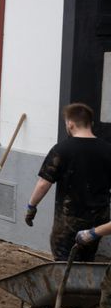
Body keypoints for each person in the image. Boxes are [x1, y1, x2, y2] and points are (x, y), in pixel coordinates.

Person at [26, 103, 111, 264]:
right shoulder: (108, 150)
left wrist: (31, 206)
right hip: (98, 220)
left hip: (69, 220)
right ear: (90, 123)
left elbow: (44, 183)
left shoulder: (62, 149)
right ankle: (82, 287)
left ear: (70, 124)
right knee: (87, 259)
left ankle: (66, 288)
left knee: (64, 260)